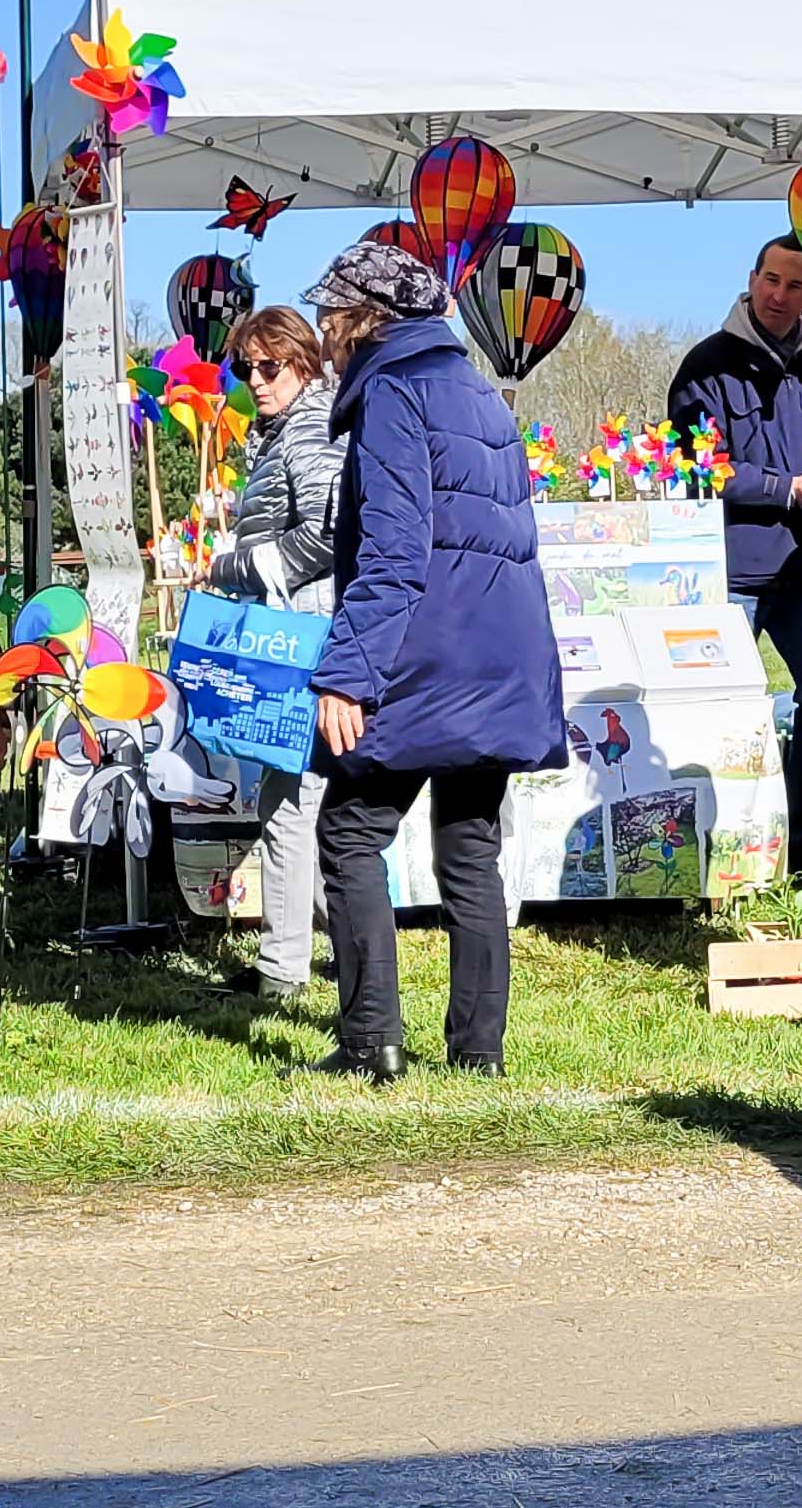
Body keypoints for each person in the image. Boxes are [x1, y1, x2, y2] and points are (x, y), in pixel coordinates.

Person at [300, 242, 567, 1083]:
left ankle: (370, 1043)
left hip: (425, 653)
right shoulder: (482, 393)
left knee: (348, 833)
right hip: (503, 654)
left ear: (360, 319)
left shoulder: (391, 393)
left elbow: (394, 551)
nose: (322, 330)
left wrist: (347, 672)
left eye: (328, 314)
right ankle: (477, 1056)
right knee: (469, 846)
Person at [669, 237, 802, 886]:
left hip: (801, 573)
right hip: (730, 574)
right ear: (751, 279)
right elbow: (696, 468)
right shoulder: (708, 366)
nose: (779, 296)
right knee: (725, 712)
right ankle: (721, 843)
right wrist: (786, 489)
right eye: (770, 281)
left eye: (794, 285)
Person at [207, 306, 345, 1001]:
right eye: (245, 368)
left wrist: (238, 568)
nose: (255, 381)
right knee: (286, 800)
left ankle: (283, 969)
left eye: (270, 366)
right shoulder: (283, 431)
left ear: (306, 362)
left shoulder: (312, 428)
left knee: (290, 803)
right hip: (287, 633)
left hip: (307, 635)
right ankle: (335, 950)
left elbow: (327, 532)